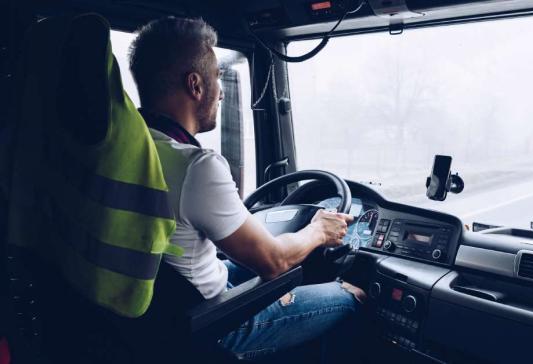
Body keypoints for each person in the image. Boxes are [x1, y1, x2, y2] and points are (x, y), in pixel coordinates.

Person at [127, 16, 366, 360]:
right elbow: (275, 261)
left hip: (163, 312)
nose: (221, 91)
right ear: (195, 85)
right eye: (217, 77)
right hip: (215, 323)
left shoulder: (131, 149)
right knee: (349, 296)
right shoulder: (195, 165)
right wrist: (318, 231)